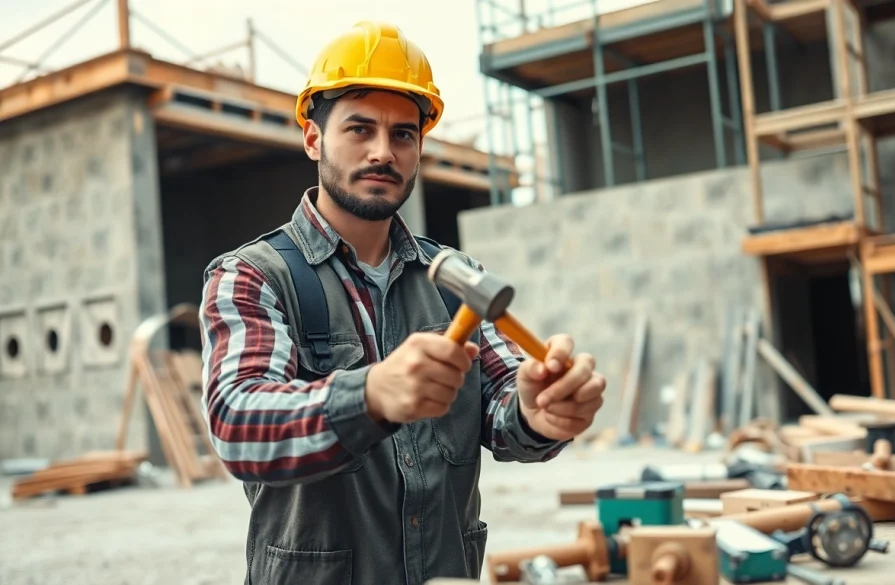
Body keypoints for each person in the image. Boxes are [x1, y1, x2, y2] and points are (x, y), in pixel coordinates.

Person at [198, 20, 607, 585]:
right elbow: (237, 421)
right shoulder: (253, 276)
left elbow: (505, 410)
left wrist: (540, 413)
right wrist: (368, 395)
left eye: (404, 135)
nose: (383, 152)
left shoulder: (453, 281)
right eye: (359, 130)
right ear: (313, 138)